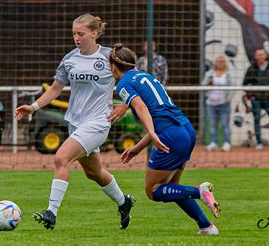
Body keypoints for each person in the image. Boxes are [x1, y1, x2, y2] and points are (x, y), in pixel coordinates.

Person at [15, 14, 134, 230]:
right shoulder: (70, 59)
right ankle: (123, 202)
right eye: (74, 34)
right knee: (94, 173)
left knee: (61, 158)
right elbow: (54, 89)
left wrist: (125, 105)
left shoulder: (110, 56)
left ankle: (51, 212)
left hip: (98, 122)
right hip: (76, 123)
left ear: (95, 33)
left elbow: (136, 80)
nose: (76, 38)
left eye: (81, 34)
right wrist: (32, 107)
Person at [109, 43, 220, 235]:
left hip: (170, 136)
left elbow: (141, 107)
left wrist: (151, 134)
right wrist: (138, 147)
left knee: (153, 191)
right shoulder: (145, 76)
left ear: (113, 66)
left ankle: (199, 191)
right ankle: (206, 226)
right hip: (186, 130)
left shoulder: (123, 84)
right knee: (173, 188)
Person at [242, 48, 269, 150]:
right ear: (256, 56)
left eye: (262, 54)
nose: (260, 56)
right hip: (256, 99)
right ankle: (259, 143)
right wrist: (250, 94)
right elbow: (244, 83)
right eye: (258, 54)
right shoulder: (251, 68)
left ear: (266, 56)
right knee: (256, 120)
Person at [202, 55, 233, 152]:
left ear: (225, 63)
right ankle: (213, 143)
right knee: (212, 125)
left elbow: (232, 88)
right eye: (218, 61)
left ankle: (227, 143)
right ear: (215, 63)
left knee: (225, 124)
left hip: (224, 103)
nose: (220, 63)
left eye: (222, 61)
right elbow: (203, 86)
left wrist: (229, 98)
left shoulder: (227, 75)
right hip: (211, 103)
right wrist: (208, 82)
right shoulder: (210, 74)